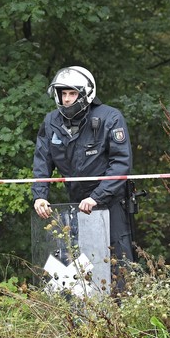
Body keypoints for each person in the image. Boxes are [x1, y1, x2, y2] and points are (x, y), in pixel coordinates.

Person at [31, 66, 134, 275]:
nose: (67, 99)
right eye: (63, 94)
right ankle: (79, 305)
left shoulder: (110, 118)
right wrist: (39, 196)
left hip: (110, 202)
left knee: (117, 260)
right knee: (78, 260)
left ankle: (122, 304)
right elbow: (42, 161)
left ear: (85, 93)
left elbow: (121, 163)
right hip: (75, 203)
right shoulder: (51, 121)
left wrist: (97, 196)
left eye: (72, 93)